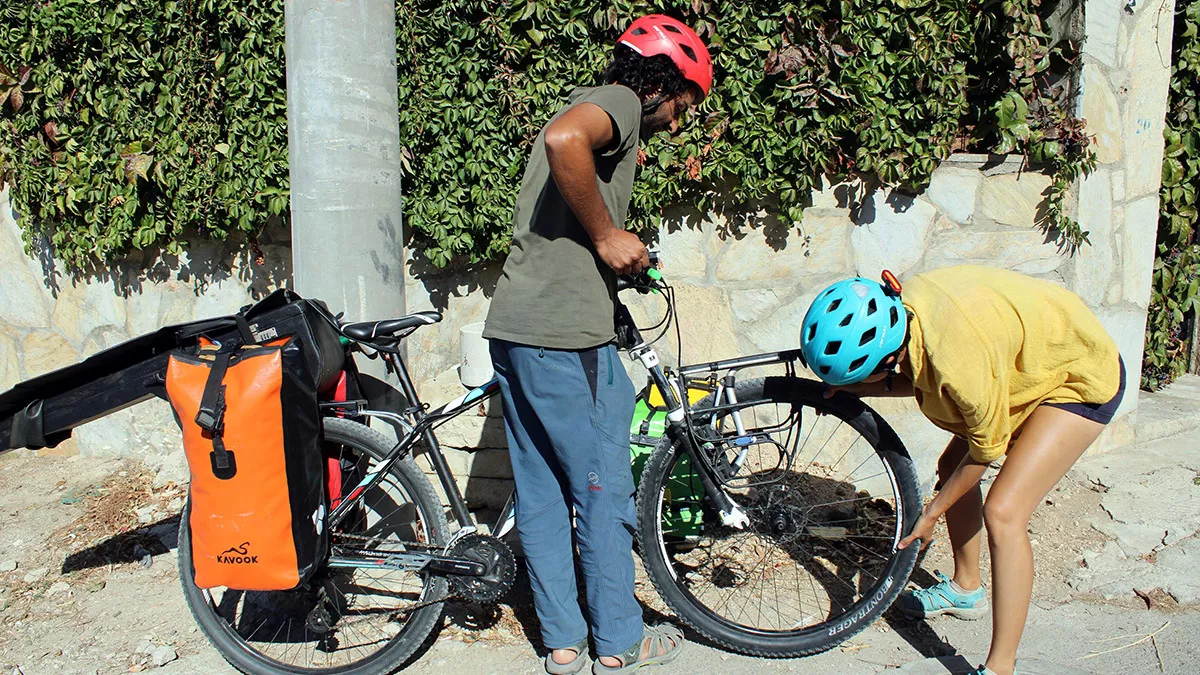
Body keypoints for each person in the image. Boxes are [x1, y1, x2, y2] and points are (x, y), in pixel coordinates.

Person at [482, 14, 712, 675]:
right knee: (602, 489)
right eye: (684, 104)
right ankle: (618, 641)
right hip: (562, 336)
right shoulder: (616, 104)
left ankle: (563, 643)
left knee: (545, 491)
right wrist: (610, 236)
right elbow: (564, 141)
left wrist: (613, 254)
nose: (679, 121)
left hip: (518, 327)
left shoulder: (586, 104)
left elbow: (564, 165)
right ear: (663, 84)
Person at [800, 265, 1125, 675]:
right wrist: (852, 386)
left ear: (887, 355)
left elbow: (986, 448)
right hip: (1036, 358)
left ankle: (1001, 667)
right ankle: (966, 589)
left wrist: (931, 514)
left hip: (1079, 376)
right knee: (951, 465)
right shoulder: (904, 312)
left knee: (1004, 512)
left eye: (872, 372)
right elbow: (917, 376)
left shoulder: (958, 360)